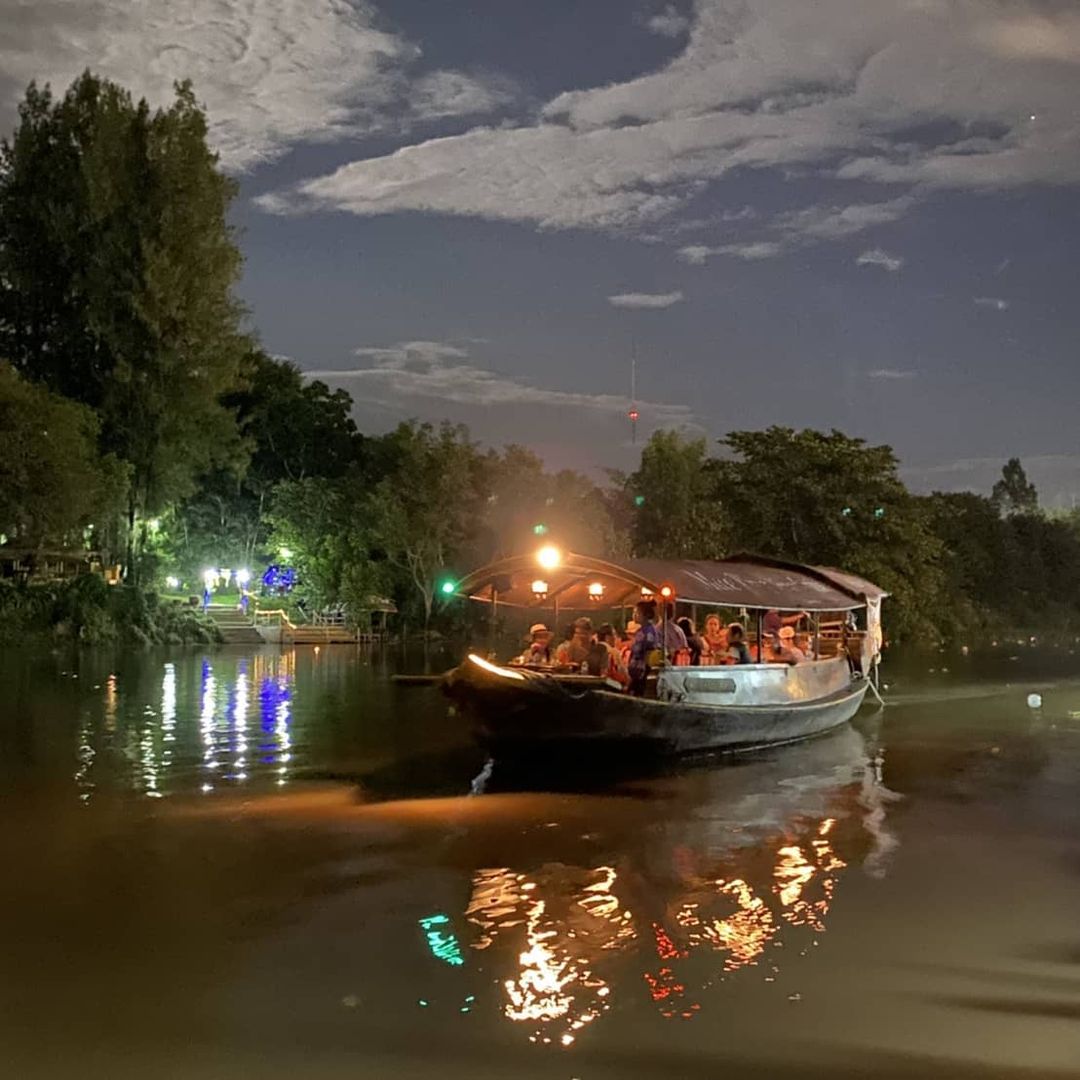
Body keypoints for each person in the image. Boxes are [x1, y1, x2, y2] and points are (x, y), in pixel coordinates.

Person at [628, 602, 664, 695]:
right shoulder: (642, 630)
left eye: (637, 613)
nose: (634, 615)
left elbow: (645, 650)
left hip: (643, 669)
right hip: (637, 668)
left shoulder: (649, 631)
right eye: (634, 613)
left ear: (646, 615)